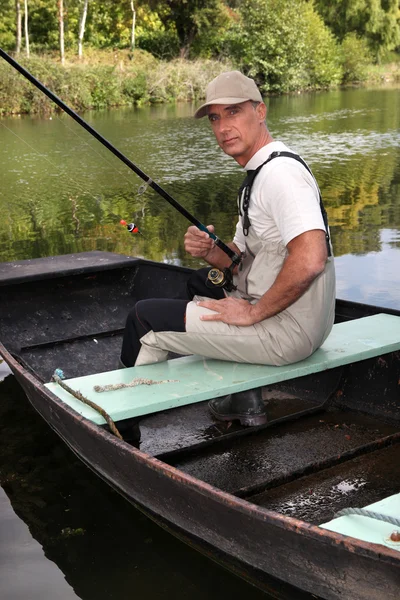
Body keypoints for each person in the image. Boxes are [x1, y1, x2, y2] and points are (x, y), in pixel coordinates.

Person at [121, 70, 336, 427]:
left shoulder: (280, 177)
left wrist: (251, 314)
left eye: (233, 112)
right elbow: (238, 260)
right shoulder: (261, 171)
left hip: (288, 331)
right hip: (306, 320)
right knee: (201, 282)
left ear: (260, 112)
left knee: (144, 319)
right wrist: (210, 251)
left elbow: (311, 259)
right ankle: (242, 397)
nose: (223, 127)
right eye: (215, 118)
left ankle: (122, 432)